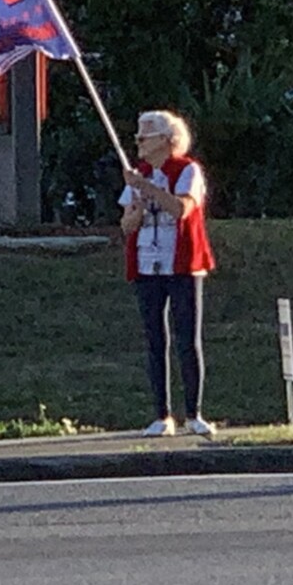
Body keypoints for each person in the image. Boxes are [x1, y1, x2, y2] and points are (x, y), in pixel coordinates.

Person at [119, 110, 216, 438]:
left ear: (166, 139)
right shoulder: (139, 175)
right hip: (147, 264)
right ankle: (162, 414)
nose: (138, 142)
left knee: (187, 338)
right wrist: (137, 203)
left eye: (145, 136)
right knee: (155, 340)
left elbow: (181, 209)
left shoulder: (187, 170)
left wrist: (146, 187)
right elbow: (127, 224)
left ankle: (193, 413)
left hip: (182, 264)